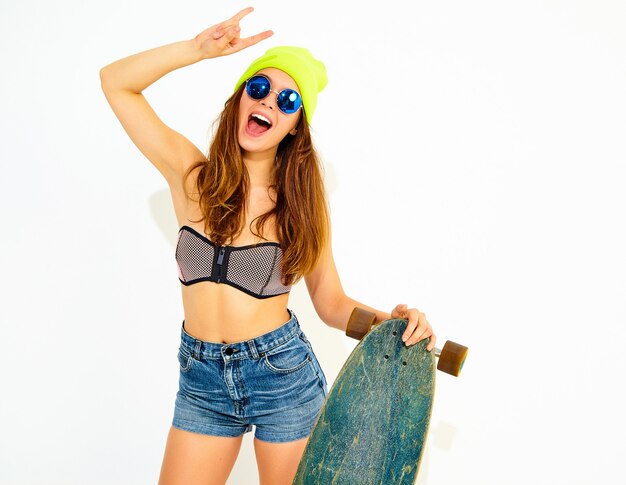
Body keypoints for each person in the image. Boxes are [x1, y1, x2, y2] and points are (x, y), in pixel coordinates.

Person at [100, 6, 436, 485]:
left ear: (296, 125)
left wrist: (397, 325)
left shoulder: (299, 206)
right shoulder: (192, 177)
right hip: (202, 380)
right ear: (241, 98)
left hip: (281, 376)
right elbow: (115, 82)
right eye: (259, 88)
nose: (270, 102)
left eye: (288, 99)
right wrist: (197, 50)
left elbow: (332, 304)